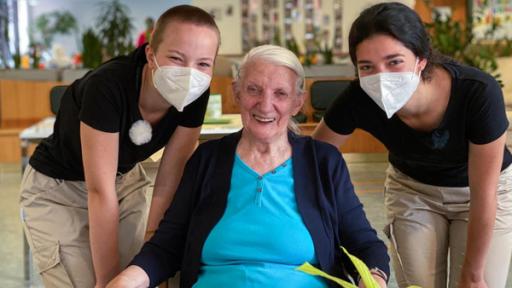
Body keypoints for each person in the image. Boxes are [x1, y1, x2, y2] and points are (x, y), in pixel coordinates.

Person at [107, 45, 390, 288]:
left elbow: (365, 245)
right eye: (254, 89)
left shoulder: (324, 162)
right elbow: (167, 246)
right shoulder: (208, 159)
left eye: (280, 93)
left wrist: (373, 278)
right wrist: (127, 279)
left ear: (297, 103)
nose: (265, 105)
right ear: (237, 93)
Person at [312, 2, 512, 288]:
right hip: (413, 191)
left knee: (477, 282)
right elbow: (315, 158)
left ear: (421, 59)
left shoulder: (477, 93)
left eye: (394, 62)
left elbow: (484, 194)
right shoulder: (359, 98)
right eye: (367, 67)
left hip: (481, 193)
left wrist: (473, 274)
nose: (381, 77)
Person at [19, 5, 220, 287]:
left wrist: (154, 248)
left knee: (136, 276)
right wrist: (106, 279)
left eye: (203, 63)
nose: (190, 73)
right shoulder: (108, 86)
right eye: (176, 57)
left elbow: (168, 177)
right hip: (59, 189)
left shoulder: (195, 93)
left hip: (124, 182)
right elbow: (99, 190)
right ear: (151, 54)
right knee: (92, 281)